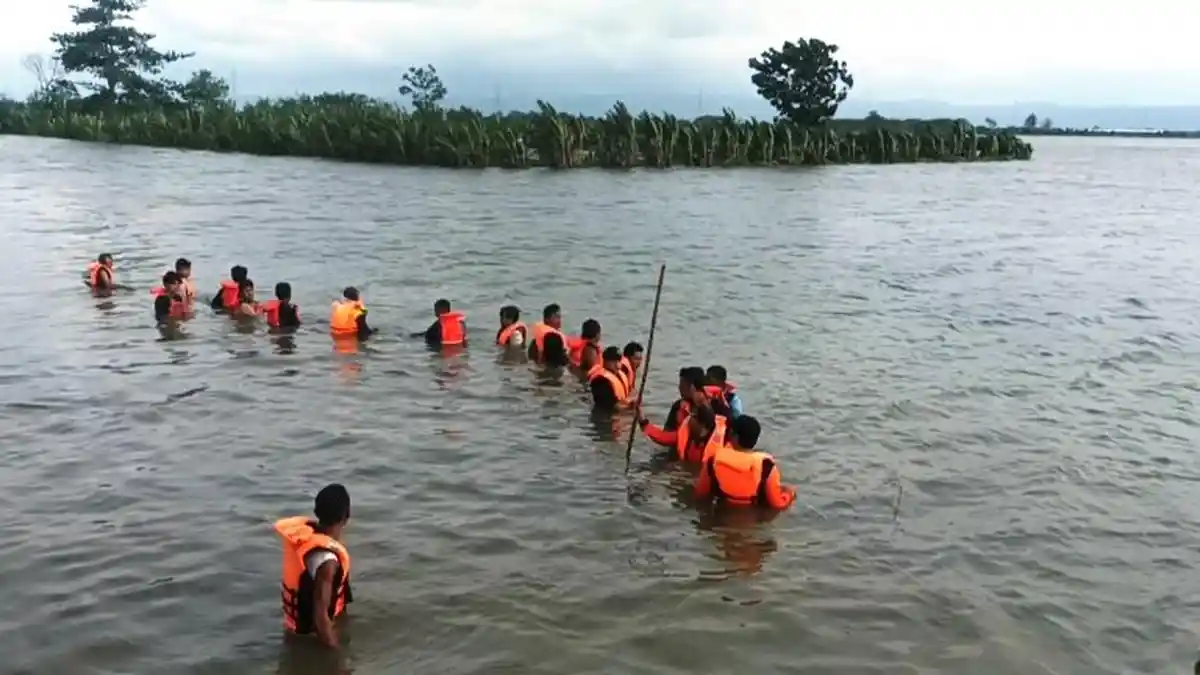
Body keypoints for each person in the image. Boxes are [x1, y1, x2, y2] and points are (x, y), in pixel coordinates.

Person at [274, 483, 353, 649]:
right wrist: (338, 659)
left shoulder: (307, 540)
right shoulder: (327, 562)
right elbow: (320, 618)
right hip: (311, 640)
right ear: (346, 516)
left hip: (294, 633)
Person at [694, 415, 795, 510]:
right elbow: (777, 505)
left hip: (721, 519)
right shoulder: (766, 467)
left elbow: (700, 495)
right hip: (751, 523)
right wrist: (789, 494)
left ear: (734, 436)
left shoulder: (713, 462)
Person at [636, 400, 727, 464]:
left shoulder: (722, 445)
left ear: (703, 425)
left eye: (693, 417)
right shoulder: (687, 433)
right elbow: (663, 437)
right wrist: (643, 421)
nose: (689, 419)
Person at [662, 367, 731, 432]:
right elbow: (667, 431)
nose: (679, 388)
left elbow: (714, 426)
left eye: (682, 385)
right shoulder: (678, 406)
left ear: (692, 387)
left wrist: (702, 404)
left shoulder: (718, 405)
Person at [588, 346, 632, 411]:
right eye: (613, 361)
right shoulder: (601, 381)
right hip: (605, 417)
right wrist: (631, 407)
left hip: (621, 411)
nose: (617, 365)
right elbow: (609, 407)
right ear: (605, 361)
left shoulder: (620, 374)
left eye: (619, 361)